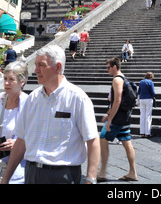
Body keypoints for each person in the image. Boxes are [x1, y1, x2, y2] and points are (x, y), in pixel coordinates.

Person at [0, 45, 100, 185]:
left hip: (62, 175)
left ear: (58, 67)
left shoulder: (78, 98)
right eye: (35, 65)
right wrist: (5, 178)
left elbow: (93, 140)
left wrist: (90, 179)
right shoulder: (33, 99)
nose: (35, 70)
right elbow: (21, 140)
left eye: (41, 65)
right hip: (31, 173)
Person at [98, 57, 138, 182]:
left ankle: (102, 172)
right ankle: (133, 172)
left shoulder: (116, 80)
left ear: (115, 67)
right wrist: (108, 113)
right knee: (126, 141)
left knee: (103, 139)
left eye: (108, 67)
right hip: (125, 116)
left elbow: (117, 101)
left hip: (117, 118)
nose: (107, 70)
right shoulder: (124, 78)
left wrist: (110, 119)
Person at [0, 61, 28, 184]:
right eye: (5, 78)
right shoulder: (1, 99)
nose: (6, 82)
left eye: (11, 79)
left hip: (20, 162)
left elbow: (36, 133)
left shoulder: (29, 103)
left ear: (22, 82)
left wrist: (19, 143)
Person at [138, 72, 155, 138]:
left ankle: (142, 132)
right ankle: (147, 133)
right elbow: (153, 92)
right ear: (151, 77)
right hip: (149, 99)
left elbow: (139, 91)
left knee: (142, 115)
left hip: (142, 99)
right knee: (148, 116)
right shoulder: (151, 82)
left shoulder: (141, 82)